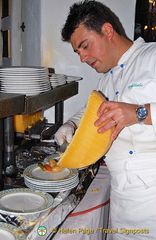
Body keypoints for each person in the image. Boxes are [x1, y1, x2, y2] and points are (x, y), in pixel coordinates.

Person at [54, 0, 156, 239]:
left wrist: (139, 113)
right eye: (78, 52)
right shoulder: (108, 78)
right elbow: (95, 109)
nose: (82, 58)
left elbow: (132, 111)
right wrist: (72, 124)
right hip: (122, 200)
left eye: (85, 46)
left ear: (107, 31)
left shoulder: (152, 57)